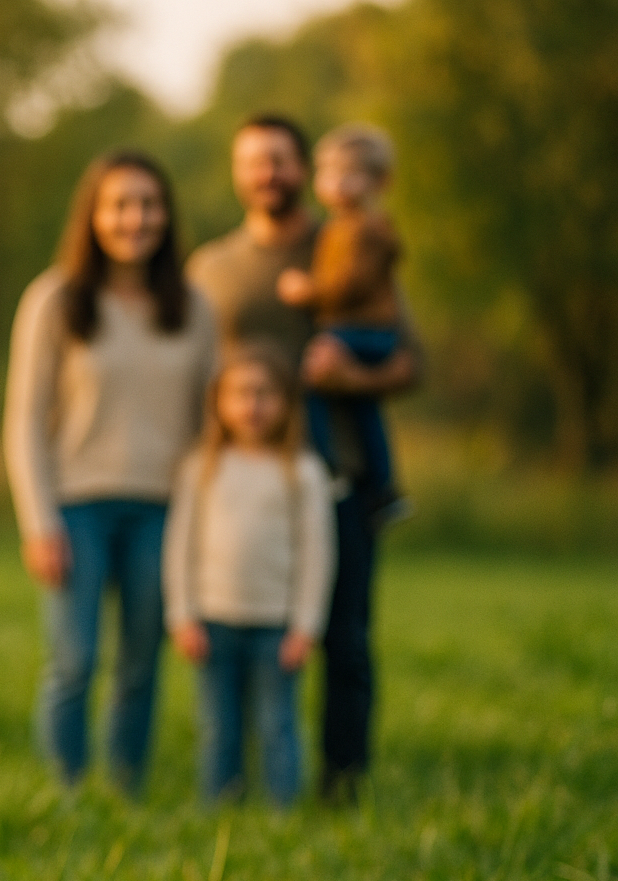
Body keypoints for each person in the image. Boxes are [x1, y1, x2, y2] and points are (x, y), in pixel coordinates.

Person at [187, 114, 422, 804]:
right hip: (242, 489)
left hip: (339, 475)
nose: (268, 173)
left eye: (281, 160)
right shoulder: (211, 269)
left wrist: (353, 377)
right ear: (237, 172)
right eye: (253, 161)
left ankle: (342, 785)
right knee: (244, 639)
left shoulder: (346, 242)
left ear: (304, 170)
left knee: (344, 640)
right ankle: (238, 783)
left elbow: (409, 359)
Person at [4, 151, 217, 793]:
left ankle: (127, 789)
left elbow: (210, 426)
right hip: (76, 507)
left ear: (166, 216)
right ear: (93, 216)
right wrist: (39, 523)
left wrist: (206, 520)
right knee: (74, 661)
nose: (136, 219)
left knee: (142, 662)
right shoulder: (54, 300)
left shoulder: (194, 308)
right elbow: (24, 420)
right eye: (120, 205)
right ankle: (65, 791)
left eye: (149, 205)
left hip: (165, 510)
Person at [163, 345, 335, 806]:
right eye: (239, 394)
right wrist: (182, 615)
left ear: (287, 402)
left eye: (265, 394)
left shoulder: (304, 472)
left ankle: (282, 812)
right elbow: (179, 547)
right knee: (219, 725)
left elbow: (318, 554)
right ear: (218, 403)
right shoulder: (200, 467)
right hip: (213, 620)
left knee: (277, 723)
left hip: (276, 625)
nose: (252, 405)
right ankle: (220, 807)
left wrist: (306, 625)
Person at [277, 122, 410, 527]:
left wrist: (307, 291)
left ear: (379, 182)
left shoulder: (363, 229)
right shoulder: (345, 226)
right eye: (329, 174)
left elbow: (350, 285)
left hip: (360, 330)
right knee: (366, 411)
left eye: (350, 175)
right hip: (365, 330)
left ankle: (330, 465)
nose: (337, 185)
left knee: (312, 381)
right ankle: (384, 488)